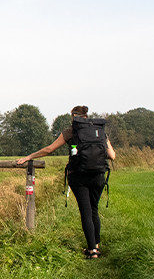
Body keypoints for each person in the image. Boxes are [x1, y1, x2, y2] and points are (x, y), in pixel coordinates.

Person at [17, 105, 116, 258]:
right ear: (86, 116)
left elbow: (49, 149)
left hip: (79, 176)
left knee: (86, 212)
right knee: (94, 209)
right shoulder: (100, 131)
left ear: (74, 116)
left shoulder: (71, 131)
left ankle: (92, 251)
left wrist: (29, 157)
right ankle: (96, 245)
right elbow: (112, 155)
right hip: (98, 175)